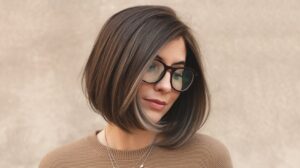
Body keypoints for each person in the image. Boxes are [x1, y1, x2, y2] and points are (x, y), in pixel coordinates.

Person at [39, 5, 232, 168]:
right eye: (151, 66)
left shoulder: (207, 158)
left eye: (177, 73)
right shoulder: (59, 164)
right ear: (113, 67)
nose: (166, 86)